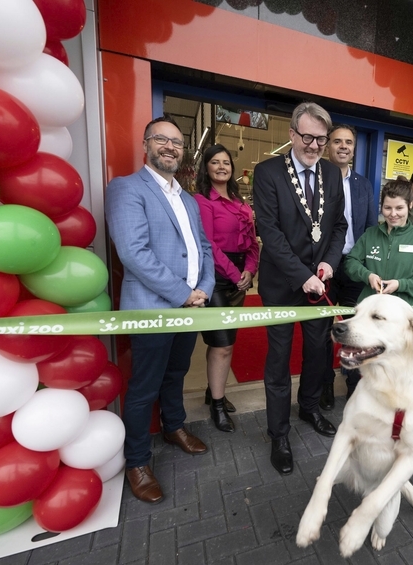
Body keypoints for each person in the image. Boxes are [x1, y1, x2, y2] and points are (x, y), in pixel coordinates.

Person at [105, 116, 215, 504]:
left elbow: (203, 248)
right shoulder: (126, 189)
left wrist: (203, 288)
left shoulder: (187, 198)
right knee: (143, 387)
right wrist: (183, 294)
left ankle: (174, 427)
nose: (170, 147)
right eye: (161, 140)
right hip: (152, 309)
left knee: (177, 373)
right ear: (146, 144)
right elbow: (133, 253)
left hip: (189, 307)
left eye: (177, 143)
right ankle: (137, 461)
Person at [253, 102, 348, 476]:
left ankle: (309, 408)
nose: (313, 145)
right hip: (281, 284)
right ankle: (278, 433)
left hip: (319, 281)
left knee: (317, 352)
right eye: (307, 136)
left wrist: (329, 263)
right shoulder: (268, 172)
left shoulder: (331, 173)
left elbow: (338, 226)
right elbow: (270, 233)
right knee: (278, 360)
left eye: (320, 139)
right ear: (292, 133)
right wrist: (301, 274)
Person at [194, 144, 259, 433]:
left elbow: (252, 241)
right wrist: (235, 274)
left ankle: (214, 390)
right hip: (216, 278)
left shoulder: (240, 202)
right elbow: (208, 246)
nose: (222, 167)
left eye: (226, 162)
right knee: (221, 346)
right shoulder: (202, 201)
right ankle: (217, 405)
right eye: (215, 162)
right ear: (206, 168)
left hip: (239, 278)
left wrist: (250, 269)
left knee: (227, 342)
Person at [320, 124, 377, 409]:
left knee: (357, 330)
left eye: (349, 142)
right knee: (321, 331)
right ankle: (324, 386)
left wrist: (366, 265)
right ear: (327, 146)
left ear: (354, 148)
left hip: (355, 267)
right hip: (325, 268)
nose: (343, 146)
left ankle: (354, 386)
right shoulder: (316, 180)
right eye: (337, 141)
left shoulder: (363, 184)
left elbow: (369, 228)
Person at [344, 179, 413, 308]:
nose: (393, 214)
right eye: (387, 208)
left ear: (410, 205)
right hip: (370, 309)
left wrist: (401, 285)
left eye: (399, 208)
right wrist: (368, 276)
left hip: (402, 312)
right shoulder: (370, 234)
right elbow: (350, 262)